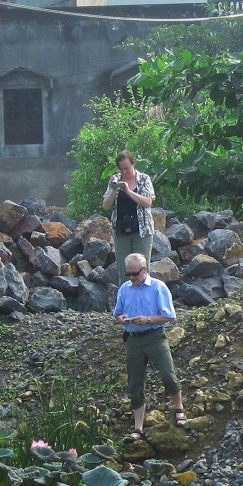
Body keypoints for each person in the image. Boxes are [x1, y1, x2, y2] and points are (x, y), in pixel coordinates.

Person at [113, 253, 186, 437]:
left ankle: (179, 408)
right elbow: (117, 313)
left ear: (144, 270)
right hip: (132, 340)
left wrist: (148, 320)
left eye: (135, 273)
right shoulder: (124, 288)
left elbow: (170, 315)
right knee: (134, 383)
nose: (131, 277)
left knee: (168, 374)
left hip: (155, 336)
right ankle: (138, 427)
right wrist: (120, 318)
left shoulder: (158, 287)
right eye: (128, 274)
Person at [103, 150, 156, 282]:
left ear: (133, 164)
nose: (124, 172)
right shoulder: (115, 180)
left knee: (142, 271)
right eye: (121, 169)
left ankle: (144, 301)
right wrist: (114, 189)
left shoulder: (144, 179)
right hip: (121, 232)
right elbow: (106, 206)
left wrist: (128, 191)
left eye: (127, 168)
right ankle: (126, 301)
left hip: (142, 232)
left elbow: (147, 202)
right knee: (124, 273)